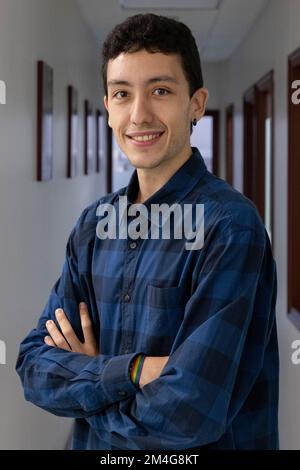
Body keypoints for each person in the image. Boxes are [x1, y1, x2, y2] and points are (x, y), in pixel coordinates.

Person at [16, 13, 279, 450]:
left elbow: (189, 413)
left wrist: (90, 382)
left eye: (160, 90)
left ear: (195, 103)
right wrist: (136, 371)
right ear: (107, 108)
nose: (139, 114)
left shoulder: (230, 227)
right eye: (122, 94)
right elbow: (33, 366)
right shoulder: (93, 226)